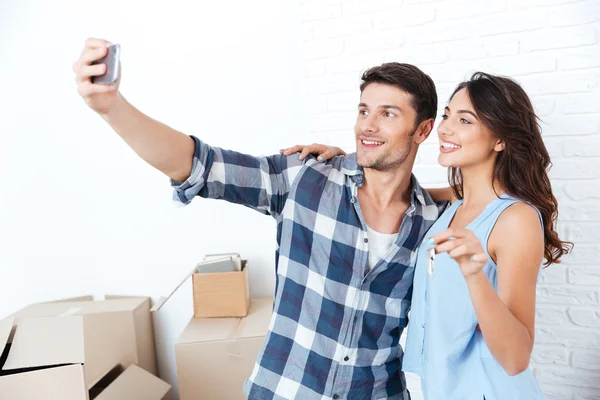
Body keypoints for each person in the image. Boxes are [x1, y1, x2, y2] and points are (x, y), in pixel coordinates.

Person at [73, 38, 448, 399]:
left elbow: (495, 194)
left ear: (423, 130)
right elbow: (201, 165)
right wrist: (112, 107)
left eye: (388, 114)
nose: (368, 125)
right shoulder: (306, 178)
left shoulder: (434, 221)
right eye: (364, 110)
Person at [287, 72, 573, 399]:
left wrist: (474, 275)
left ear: (500, 139)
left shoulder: (516, 219)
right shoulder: (450, 208)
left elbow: (515, 359)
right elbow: (394, 193)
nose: (446, 128)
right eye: (448, 115)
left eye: (465, 121)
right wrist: (350, 166)